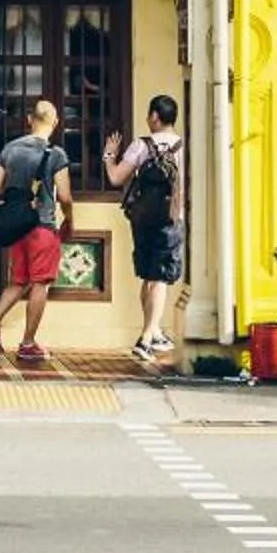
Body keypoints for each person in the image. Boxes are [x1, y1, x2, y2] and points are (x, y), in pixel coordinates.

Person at [0, 98, 73, 363]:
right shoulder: (56, 155)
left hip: (16, 229)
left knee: (18, 281)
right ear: (55, 123)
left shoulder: (9, 150)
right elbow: (64, 196)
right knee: (40, 283)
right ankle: (28, 343)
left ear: (30, 121)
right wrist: (69, 220)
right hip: (42, 227)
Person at [104, 94, 186, 364]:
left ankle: (153, 330)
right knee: (160, 278)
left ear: (154, 116)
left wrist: (109, 156)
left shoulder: (142, 145)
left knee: (149, 277)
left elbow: (116, 177)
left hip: (142, 220)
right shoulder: (184, 146)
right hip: (171, 219)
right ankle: (147, 337)